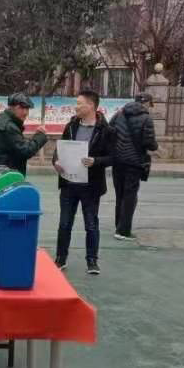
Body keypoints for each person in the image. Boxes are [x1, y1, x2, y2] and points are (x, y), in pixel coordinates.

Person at [52, 90, 112, 275]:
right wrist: (56, 162)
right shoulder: (71, 126)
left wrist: (96, 161)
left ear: (91, 105)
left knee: (91, 224)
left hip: (91, 186)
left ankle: (92, 261)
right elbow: (59, 149)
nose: (76, 107)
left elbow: (114, 157)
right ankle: (60, 258)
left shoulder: (105, 130)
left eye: (79, 103)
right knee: (64, 223)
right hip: (69, 184)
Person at [110, 92, 158, 241]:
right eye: (150, 104)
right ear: (146, 103)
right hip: (134, 162)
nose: (150, 107)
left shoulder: (118, 115)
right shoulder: (146, 119)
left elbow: (109, 134)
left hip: (117, 161)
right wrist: (155, 146)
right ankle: (123, 231)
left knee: (120, 195)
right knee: (130, 197)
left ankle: (118, 225)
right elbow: (149, 143)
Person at [0, 93, 48, 175]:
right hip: (4, 175)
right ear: (11, 107)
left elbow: (16, 145)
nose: (25, 112)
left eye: (27, 109)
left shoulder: (1, 119)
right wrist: (40, 136)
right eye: (21, 108)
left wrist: (36, 136)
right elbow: (26, 151)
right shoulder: (9, 127)